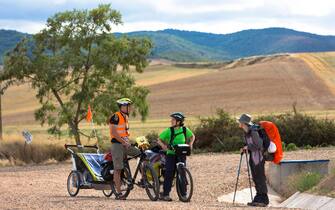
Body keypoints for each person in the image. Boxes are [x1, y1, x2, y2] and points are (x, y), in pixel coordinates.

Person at [157, 112, 195, 201]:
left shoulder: (185, 130)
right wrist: (164, 147)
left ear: (178, 121)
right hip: (171, 155)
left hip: (182, 154)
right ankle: (165, 194)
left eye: (173, 120)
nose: (171, 121)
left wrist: (190, 144)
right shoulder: (169, 130)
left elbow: (192, 136)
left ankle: (183, 195)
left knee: (182, 173)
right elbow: (159, 140)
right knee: (169, 174)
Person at [109, 98, 140, 200]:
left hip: (125, 144)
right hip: (117, 145)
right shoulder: (115, 116)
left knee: (141, 154)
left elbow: (124, 132)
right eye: (128, 106)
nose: (130, 108)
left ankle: (144, 179)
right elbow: (114, 133)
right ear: (122, 106)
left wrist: (129, 142)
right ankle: (118, 193)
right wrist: (123, 142)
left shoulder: (125, 117)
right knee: (118, 169)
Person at [237, 113, 269, 207]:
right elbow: (251, 145)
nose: (238, 123)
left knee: (260, 177)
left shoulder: (253, 131)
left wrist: (248, 147)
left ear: (243, 123)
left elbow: (259, 145)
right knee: (255, 177)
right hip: (253, 158)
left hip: (259, 158)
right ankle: (259, 197)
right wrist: (245, 148)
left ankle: (264, 199)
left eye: (240, 121)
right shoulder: (246, 132)